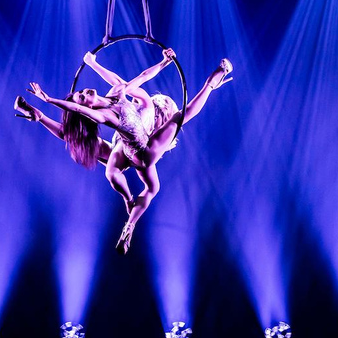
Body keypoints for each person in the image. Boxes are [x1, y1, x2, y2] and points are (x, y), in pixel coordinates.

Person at [14, 48, 233, 254]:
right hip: (142, 152)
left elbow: (141, 76)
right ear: (88, 108)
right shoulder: (103, 115)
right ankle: (211, 84)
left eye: (80, 92)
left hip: (125, 149)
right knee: (181, 117)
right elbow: (77, 108)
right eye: (82, 97)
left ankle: (130, 224)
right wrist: (50, 100)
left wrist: (162, 62)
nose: (83, 93)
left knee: (96, 147)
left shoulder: (116, 93)